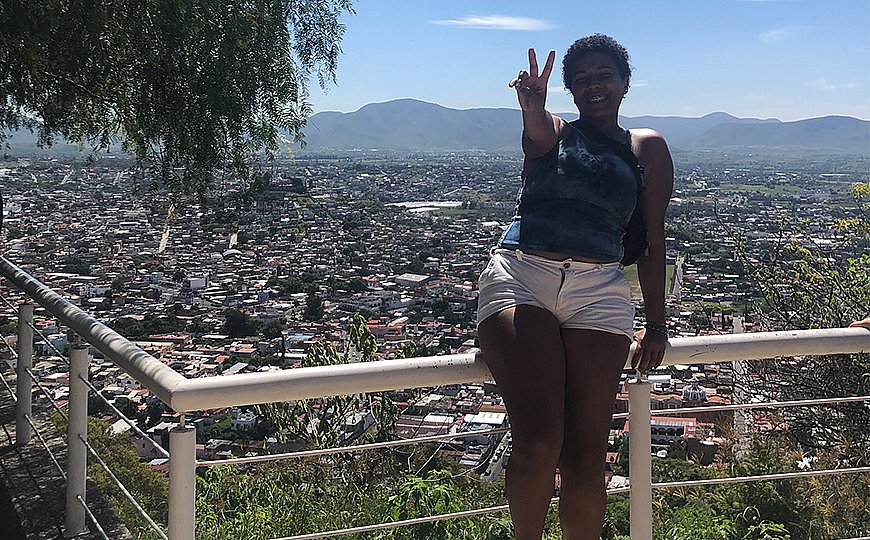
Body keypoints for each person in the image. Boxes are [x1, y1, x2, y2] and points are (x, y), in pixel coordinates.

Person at [476, 34, 674, 539]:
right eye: (581, 79)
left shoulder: (646, 147)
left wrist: (656, 324)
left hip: (600, 289)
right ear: (569, 90)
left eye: (604, 74)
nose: (594, 85)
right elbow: (539, 134)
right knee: (539, 441)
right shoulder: (556, 131)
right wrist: (531, 107)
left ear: (625, 82)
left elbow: (653, 239)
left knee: (587, 457)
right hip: (524, 276)